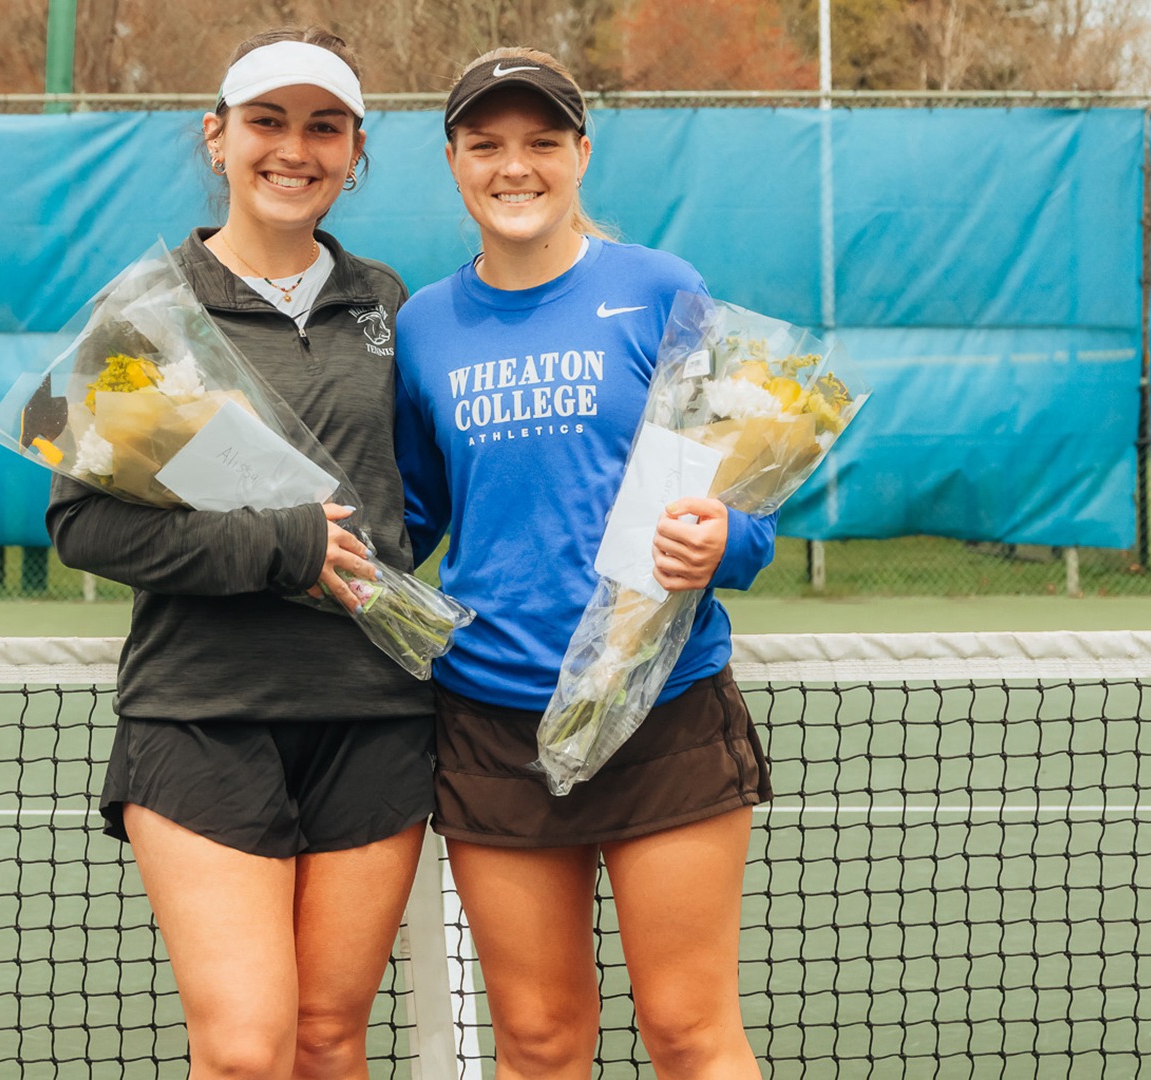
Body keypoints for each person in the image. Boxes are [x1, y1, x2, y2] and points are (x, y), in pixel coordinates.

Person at [47, 28, 433, 1080]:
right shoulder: (142, 312)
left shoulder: (389, 303)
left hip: (374, 717)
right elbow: (84, 527)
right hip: (201, 714)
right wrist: (280, 547)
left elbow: (411, 500)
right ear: (217, 137)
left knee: (328, 1041)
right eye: (267, 122)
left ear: (355, 151)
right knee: (246, 1049)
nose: (294, 149)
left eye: (324, 128)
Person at [392, 47, 778, 1078]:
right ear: (454, 161)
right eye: (486, 145)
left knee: (689, 1033)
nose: (514, 167)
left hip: (662, 708)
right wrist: (296, 534)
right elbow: (417, 515)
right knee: (539, 1039)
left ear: (581, 153)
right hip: (492, 723)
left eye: (541, 142)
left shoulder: (660, 289)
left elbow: (743, 504)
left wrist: (724, 542)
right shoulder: (423, 325)